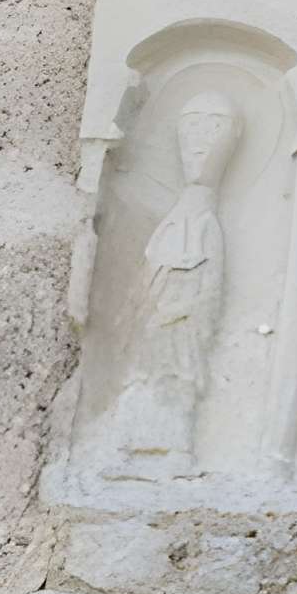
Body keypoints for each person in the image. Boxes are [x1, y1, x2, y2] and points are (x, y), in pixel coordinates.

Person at [110, 96, 240, 478]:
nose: (198, 144)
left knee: (177, 382)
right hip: (151, 322)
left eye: (211, 130)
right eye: (191, 130)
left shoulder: (206, 225)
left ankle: (176, 452)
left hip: (180, 328)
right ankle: (127, 450)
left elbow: (211, 290)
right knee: (139, 381)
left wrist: (180, 314)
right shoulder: (174, 218)